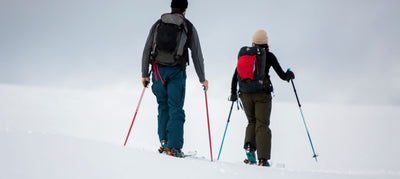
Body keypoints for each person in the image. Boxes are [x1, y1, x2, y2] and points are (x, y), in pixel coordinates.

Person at [141, 0, 208, 157]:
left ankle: (164, 143)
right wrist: (202, 78)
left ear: (171, 7)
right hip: (176, 72)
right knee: (175, 108)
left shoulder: (158, 24)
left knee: (163, 106)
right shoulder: (188, 26)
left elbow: (147, 49)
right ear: (185, 9)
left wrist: (144, 74)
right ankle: (174, 147)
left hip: (157, 71)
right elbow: (196, 54)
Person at [230, 29, 295, 166]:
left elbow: (235, 76)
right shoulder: (269, 56)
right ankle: (263, 159)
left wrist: (233, 94)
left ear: (253, 42)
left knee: (252, 121)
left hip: (245, 94)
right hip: (262, 94)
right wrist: (289, 74)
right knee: (262, 124)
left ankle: (249, 146)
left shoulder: (245, 55)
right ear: (266, 43)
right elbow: (283, 76)